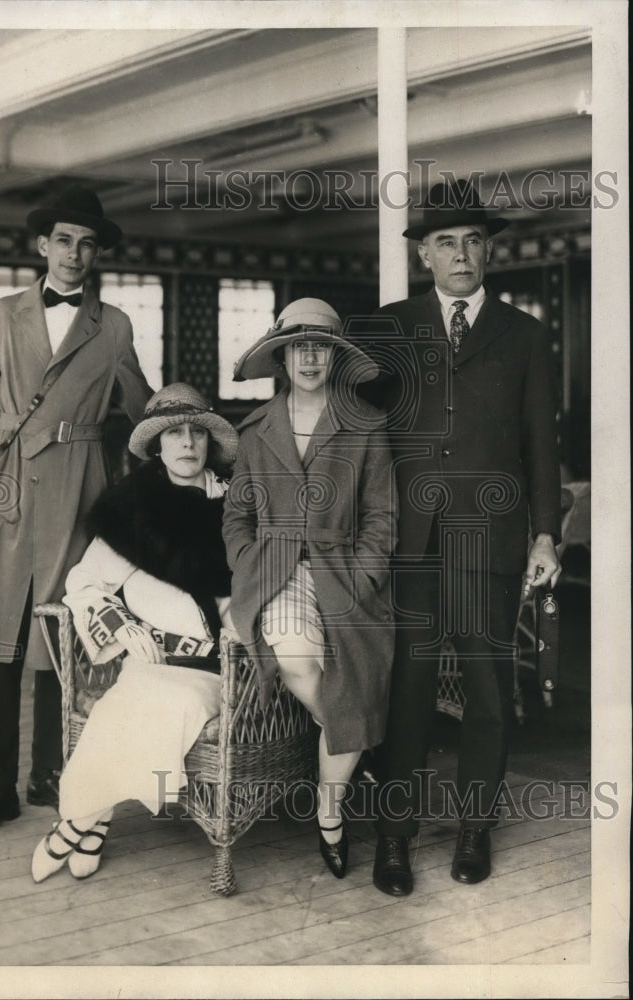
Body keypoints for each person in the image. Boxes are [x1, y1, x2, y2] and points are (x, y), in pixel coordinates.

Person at [364, 178, 562, 896]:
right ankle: (395, 836)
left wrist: (546, 537)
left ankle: (476, 829)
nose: (462, 253)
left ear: (487, 252)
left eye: (474, 240)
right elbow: (357, 435)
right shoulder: (387, 327)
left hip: (493, 542)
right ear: (424, 254)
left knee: (486, 692)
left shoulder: (526, 334)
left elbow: (543, 447)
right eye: (446, 241)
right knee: (407, 692)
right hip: (410, 543)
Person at [0, 185, 153, 838]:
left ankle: (52, 774)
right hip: (10, 484)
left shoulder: (114, 325)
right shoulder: (4, 314)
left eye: (87, 244)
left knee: (62, 638)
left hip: (82, 486)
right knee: (3, 640)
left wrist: (185, 441)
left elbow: (142, 406)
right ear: (43, 246)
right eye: (63, 240)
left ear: (96, 255)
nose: (74, 254)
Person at [30, 383, 238, 881]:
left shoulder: (236, 506)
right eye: (174, 434)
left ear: (208, 443)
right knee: (121, 704)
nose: (187, 443)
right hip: (147, 662)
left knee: (158, 705)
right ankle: (94, 822)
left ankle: (74, 824)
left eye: (196, 433)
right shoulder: (134, 508)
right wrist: (120, 626)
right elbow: (82, 582)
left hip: (212, 669)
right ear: (157, 445)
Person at [223, 298, 396, 880]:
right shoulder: (256, 430)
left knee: (357, 672)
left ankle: (329, 812)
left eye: (321, 345)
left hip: (346, 571)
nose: (310, 356)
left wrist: (367, 572)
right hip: (275, 570)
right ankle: (357, 738)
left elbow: (382, 516)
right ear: (282, 356)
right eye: (299, 346)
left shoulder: (366, 425)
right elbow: (236, 517)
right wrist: (247, 560)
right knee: (296, 653)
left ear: (335, 356)